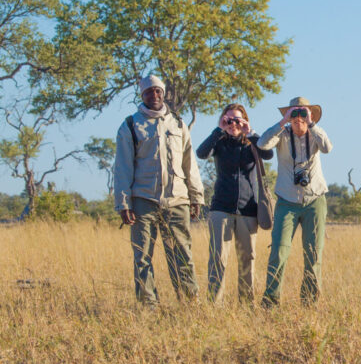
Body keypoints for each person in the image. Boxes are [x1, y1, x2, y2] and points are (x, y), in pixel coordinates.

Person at [113, 74, 205, 305]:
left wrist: (196, 196)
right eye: (148, 92)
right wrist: (123, 203)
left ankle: (189, 302)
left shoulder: (178, 124)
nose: (154, 95)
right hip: (143, 200)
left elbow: (189, 163)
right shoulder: (130, 125)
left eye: (157, 91)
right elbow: (122, 167)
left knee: (182, 254)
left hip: (177, 200)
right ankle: (148, 306)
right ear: (142, 95)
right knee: (142, 256)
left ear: (163, 94)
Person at [256, 96, 332, 307]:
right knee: (278, 252)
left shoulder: (316, 133)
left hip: (314, 199)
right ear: (288, 116)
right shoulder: (282, 134)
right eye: (294, 114)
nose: (298, 118)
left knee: (313, 254)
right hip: (287, 201)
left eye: (303, 113)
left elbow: (327, 148)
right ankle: (270, 302)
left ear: (310, 115)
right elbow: (262, 144)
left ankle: (309, 303)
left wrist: (312, 124)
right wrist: (283, 123)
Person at [196, 103, 274, 304]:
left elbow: (268, 154)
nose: (233, 124)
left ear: (245, 121)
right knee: (218, 259)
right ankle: (215, 305)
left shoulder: (252, 144)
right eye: (228, 120)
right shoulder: (219, 142)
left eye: (237, 120)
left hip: (248, 210)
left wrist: (252, 133)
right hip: (221, 208)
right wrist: (218, 130)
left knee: (247, 259)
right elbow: (201, 153)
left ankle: (247, 305)